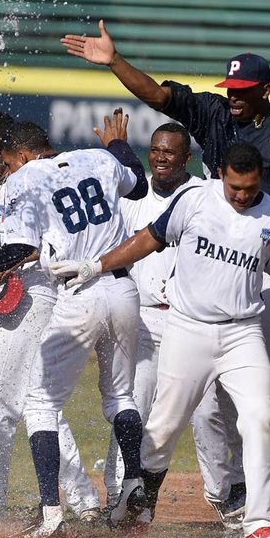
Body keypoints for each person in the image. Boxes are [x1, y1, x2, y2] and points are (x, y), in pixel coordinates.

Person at [61, 21, 270, 523]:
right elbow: (158, 95)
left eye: (243, 93)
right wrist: (114, 62)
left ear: (264, 92)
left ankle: (268, 494)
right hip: (209, 267)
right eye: (230, 90)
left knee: (268, 394)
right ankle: (213, 491)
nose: (233, 99)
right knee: (201, 399)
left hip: (269, 266)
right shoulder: (212, 112)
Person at [52, 142, 270, 538]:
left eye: (249, 188)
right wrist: (96, 265)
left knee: (260, 417)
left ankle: (260, 522)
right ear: (221, 175)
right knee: (161, 430)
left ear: (259, 179)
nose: (241, 195)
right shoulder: (195, 200)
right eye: (234, 186)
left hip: (242, 333)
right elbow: (148, 239)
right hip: (189, 329)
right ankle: (141, 497)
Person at [0, 121, 148, 538]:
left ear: (23, 155)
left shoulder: (25, 179)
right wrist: (117, 143)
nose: (11, 168)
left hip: (76, 294)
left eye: (10, 160)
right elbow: (137, 186)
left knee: (40, 403)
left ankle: (52, 512)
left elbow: (20, 249)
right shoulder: (97, 158)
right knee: (120, 395)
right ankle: (133, 483)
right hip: (122, 289)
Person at [0, 112, 102, 521]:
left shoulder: (32, 185)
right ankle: (83, 500)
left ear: (9, 151)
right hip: (9, 299)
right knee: (35, 402)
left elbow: (41, 243)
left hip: (35, 295)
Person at [93, 114, 209, 510]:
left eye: (169, 152)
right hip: (139, 319)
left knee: (185, 420)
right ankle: (116, 498)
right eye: (155, 150)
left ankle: (169, 500)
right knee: (131, 409)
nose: (160, 158)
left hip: (186, 322)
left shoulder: (202, 195)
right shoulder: (133, 195)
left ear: (186, 158)